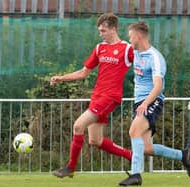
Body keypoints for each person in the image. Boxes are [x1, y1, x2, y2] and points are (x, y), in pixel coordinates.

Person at [50, 13, 134, 178]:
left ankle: (70, 167)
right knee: (95, 140)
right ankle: (131, 156)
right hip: (97, 96)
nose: (100, 34)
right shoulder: (99, 48)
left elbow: (142, 64)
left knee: (78, 126)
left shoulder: (127, 49)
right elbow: (83, 73)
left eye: (103, 30)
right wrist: (61, 78)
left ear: (113, 29)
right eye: (99, 31)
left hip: (110, 97)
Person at [119, 21, 190, 186]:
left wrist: (146, 103)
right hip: (141, 102)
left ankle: (136, 174)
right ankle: (182, 155)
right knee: (146, 148)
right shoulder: (134, 51)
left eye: (131, 37)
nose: (129, 40)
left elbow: (158, 86)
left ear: (138, 36)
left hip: (153, 100)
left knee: (134, 131)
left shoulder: (155, 57)